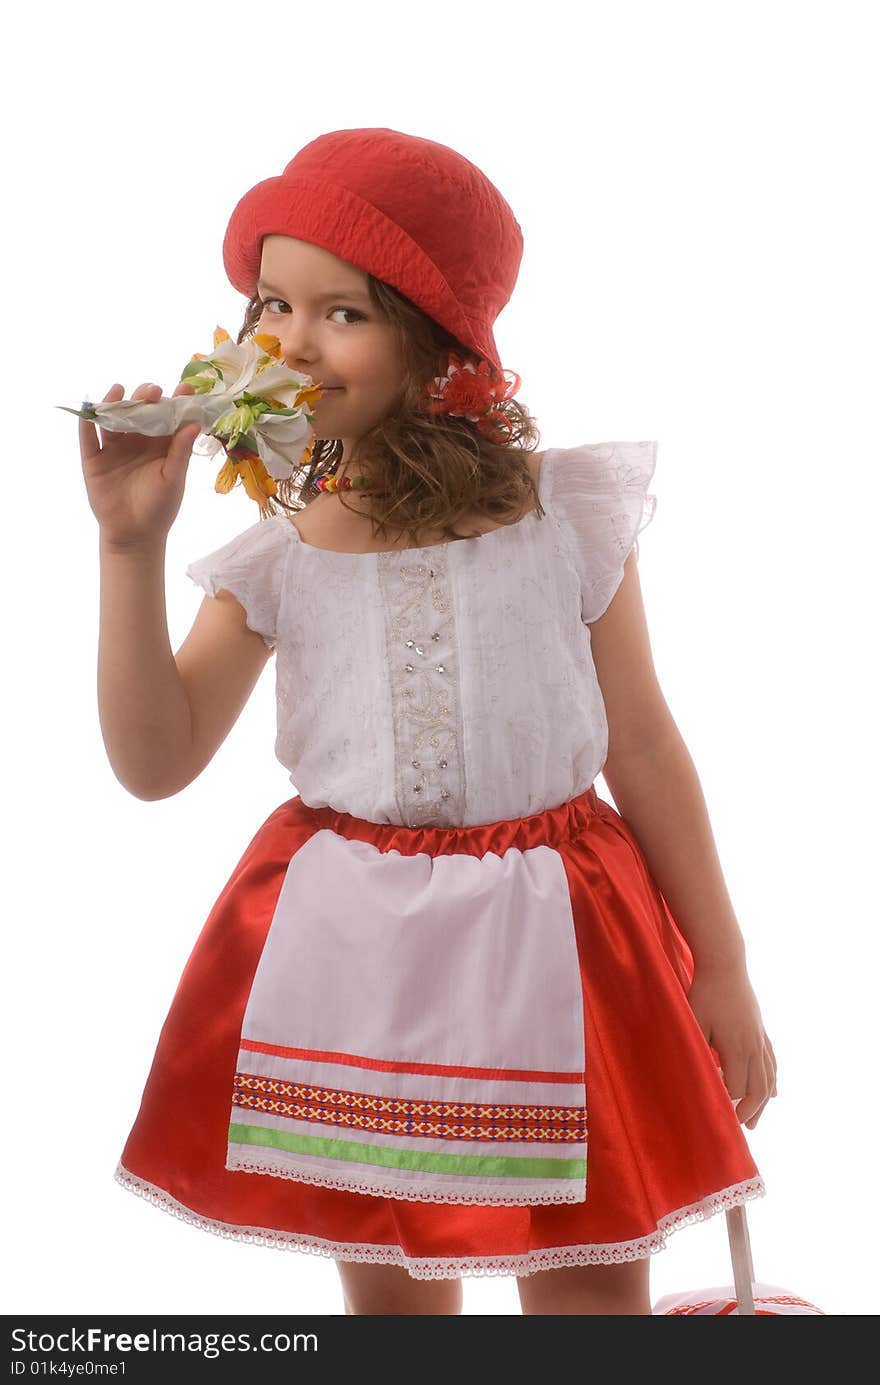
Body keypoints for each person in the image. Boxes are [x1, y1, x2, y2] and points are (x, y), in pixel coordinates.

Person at [80, 127, 776, 1317]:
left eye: (341, 311)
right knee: (395, 1294)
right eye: (270, 305)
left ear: (438, 335)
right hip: (363, 963)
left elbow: (645, 745)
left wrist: (725, 962)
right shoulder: (281, 554)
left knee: (593, 1283)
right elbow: (155, 761)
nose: (290, 343)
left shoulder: (566, 515)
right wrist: (128, 548)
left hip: (563, 946)